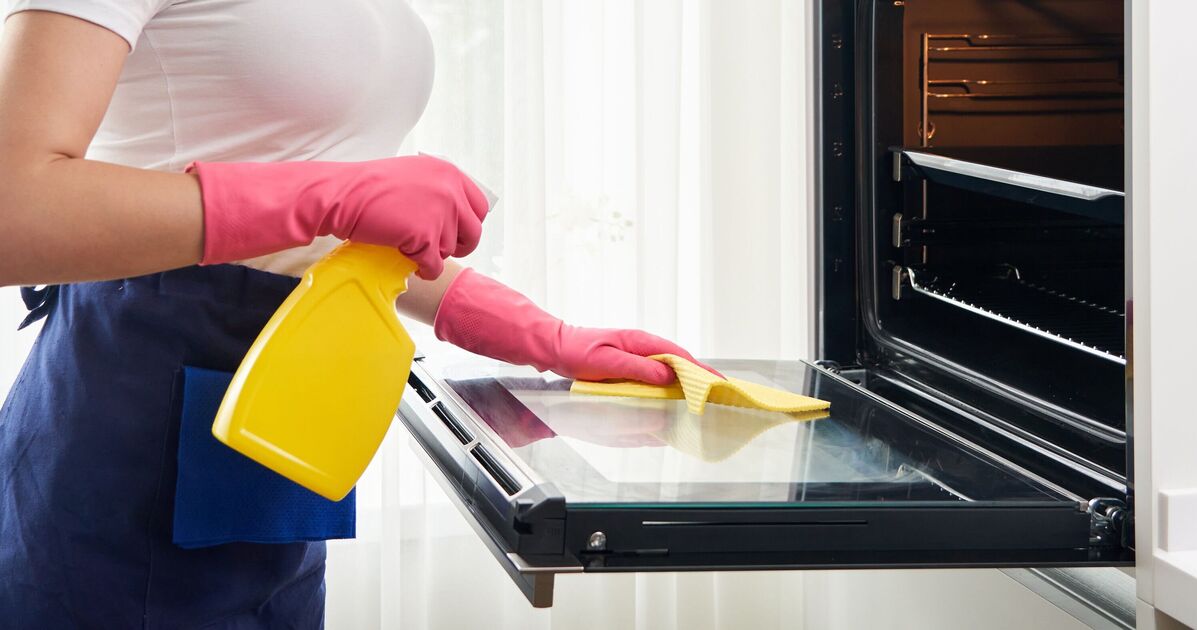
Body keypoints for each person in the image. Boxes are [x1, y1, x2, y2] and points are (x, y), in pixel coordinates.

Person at [0, 2, 713, 627]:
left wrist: (545, 338)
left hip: (282, 432)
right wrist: (329, 194)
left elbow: (330, 237)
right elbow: (16, 214)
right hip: (132, 432)